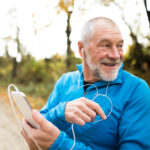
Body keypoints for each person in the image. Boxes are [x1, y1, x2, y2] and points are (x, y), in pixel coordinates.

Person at [21, 17, 150, 150]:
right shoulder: (65, 81)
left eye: (120, 46)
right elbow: (39, 124)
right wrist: (61, 112)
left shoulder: (137, 90)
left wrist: (59, 144)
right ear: (82, 49)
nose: (115, 55)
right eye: (105, 45)